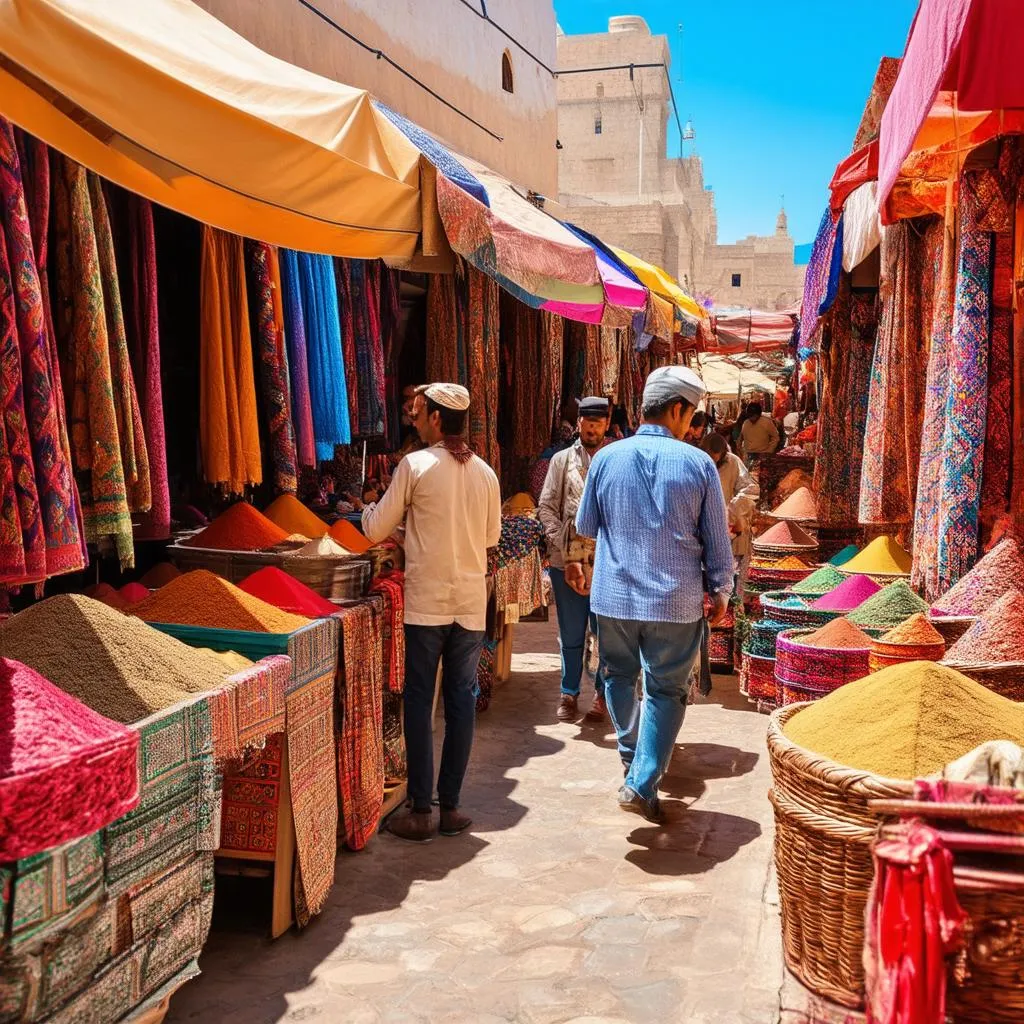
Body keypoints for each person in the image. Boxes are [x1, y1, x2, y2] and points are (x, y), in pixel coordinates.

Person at [570, 366, 734, 823]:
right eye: (691, 413)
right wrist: (722, 590)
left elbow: (585, 527)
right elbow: (717, 541)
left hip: (614, 598)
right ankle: (642, 778)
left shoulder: (604, 458)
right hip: (674, 602)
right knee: (665, 690)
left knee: (618, 677)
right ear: (678, 409)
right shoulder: (699, 463)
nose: (690, 423)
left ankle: (634, 763)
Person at [362, 383, 501, 842]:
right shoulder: (485, 473)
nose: (414, 421)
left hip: (427, 605)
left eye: (419, 414)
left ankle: (422, 809)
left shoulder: (415, 465)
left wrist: (368, 509)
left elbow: (375, 528)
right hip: (468, 605)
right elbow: (487, 540)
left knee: (421, 702)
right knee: (460, 703)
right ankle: (452, 807)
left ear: (438, 419)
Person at [538, 396, 611, 723]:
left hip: (606, 562)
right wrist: (564, 547)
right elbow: (547, 507)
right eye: (587, 421)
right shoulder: (561, 461)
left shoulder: (614, 459)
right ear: (578, 423)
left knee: (603, 631)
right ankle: (568, 693)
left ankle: (601, 694)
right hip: (565, 561)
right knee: (570, 631)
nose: (592, 427)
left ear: (606, 425)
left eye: (598, 422)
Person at [701, 432, 760, 595]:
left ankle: (730, 610)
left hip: (731, 528)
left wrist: (733, 509)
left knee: (730, 574)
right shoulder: (696, 463)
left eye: (716, 457)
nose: (713, 461)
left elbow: (751, 490)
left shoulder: (733, 462)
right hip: (704, 527)